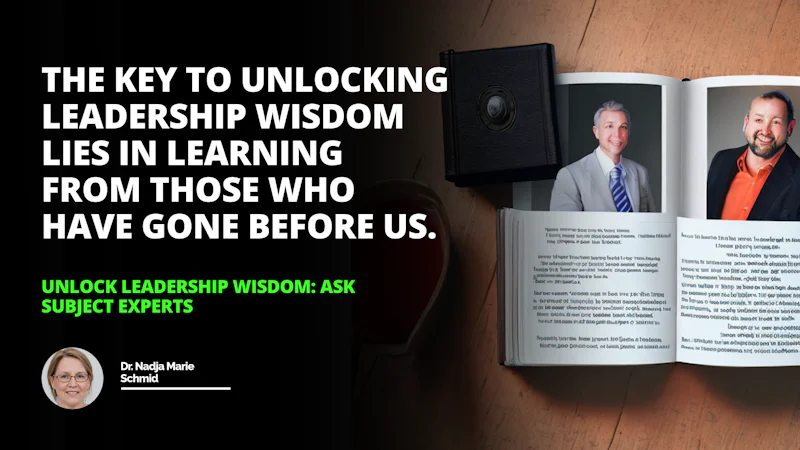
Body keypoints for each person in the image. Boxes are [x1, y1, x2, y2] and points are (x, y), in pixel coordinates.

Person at [707, 91, 799, 221]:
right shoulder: (721, 160)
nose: (765, 131)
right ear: (746, 122)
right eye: (758, 120)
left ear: (790, 127)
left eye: (776, 122)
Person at [550, 100, 654, 212]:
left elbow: (649, 223)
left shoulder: (640, 172)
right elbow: (565, 228)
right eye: (609, 126)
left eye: (623, 127)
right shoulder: (570, 176)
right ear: (596, 132)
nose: (617, 134)